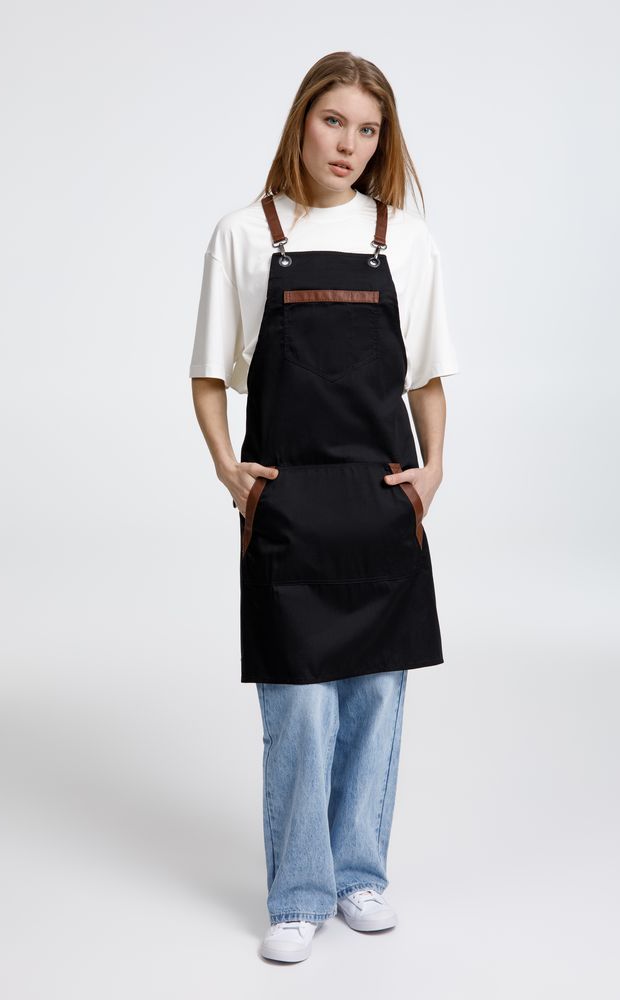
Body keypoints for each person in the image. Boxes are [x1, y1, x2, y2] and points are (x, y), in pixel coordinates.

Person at [189, 51, 459, 963]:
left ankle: (359, 876)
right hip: (289, 507)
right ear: (302, 121)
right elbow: (208, 373)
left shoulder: (404, 240)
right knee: (299, 711)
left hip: (381, 506)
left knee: (376, 700)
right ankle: (299, 892)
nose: (349, 144)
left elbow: (426, 376)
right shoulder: (245, 234)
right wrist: (229, 470)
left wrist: (434, 470)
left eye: (368, 130)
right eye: (334, 120)